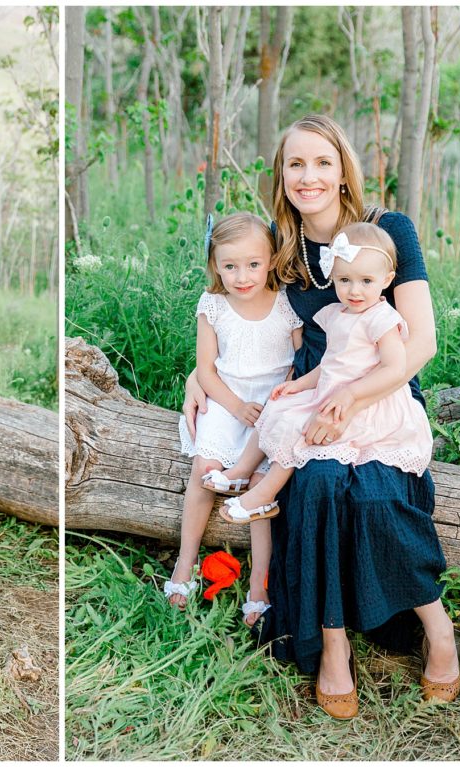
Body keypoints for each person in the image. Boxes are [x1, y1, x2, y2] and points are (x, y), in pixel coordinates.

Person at [182, 114, 459, 719]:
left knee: (380, 495)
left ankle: (437, 631)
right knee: (319, 488)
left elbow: (422, 343)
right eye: (295, 164)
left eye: (322, 163)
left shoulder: (389, 232)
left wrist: (354, 400)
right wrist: (198, 378)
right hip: (311, 397)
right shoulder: (279, 249)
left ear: (342, 171)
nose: (309, 177)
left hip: (379, 399)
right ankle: (332, 647)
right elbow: (243, 322)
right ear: (281, 176)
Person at [219, 222, 433, 528]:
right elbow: (330, 365)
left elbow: (395, 369)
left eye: (366, 281)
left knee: (299, 429)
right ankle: (241, 470)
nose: (354, 290)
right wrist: (299, 385)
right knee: (279, 406)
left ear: (386, 280)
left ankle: (264, 494)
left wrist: (353, 395)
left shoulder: (381, 320)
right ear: (333, 277)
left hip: (368, 404)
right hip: (332, 392)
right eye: (345, 280)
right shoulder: (338, 314)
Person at [166, 212, 302, 634]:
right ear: (215, 265)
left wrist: (282, 397)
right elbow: (205, 371)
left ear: (271, 260)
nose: (242, 276)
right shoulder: (214, 307)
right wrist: (236, 404)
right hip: (227, 401)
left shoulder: (285, 305)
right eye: (230, 266)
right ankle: (185, 562)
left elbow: (302, 362)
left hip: (273, 404)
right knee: (203, 471)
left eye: (253, 264)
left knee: (261, 488)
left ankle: (259, 583)